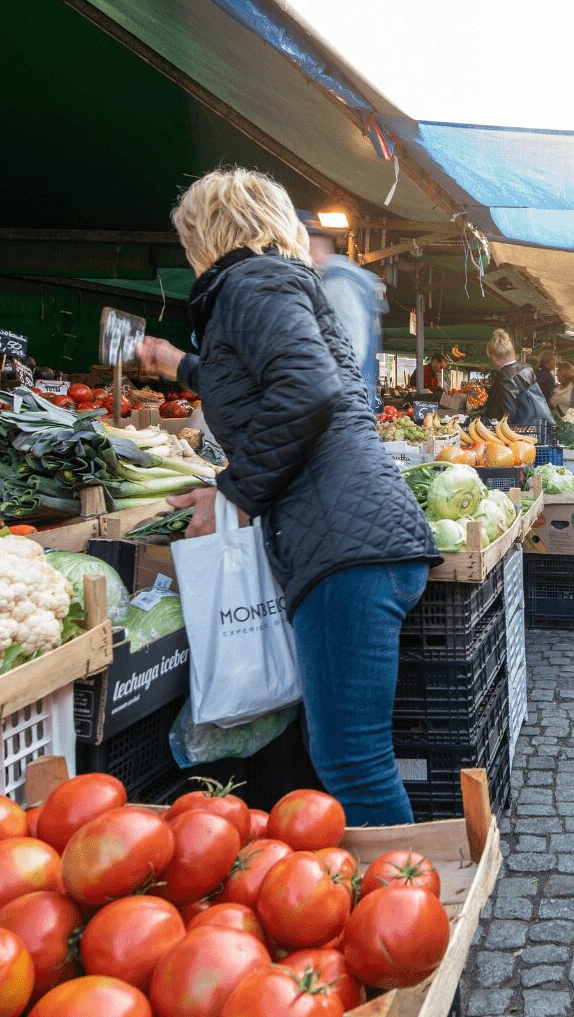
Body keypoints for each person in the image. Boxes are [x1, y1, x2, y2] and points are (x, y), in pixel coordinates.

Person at [133, 166, 440, 827]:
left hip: (345, 549)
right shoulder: (273, 284)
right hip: (358, 538)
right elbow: (263, 372)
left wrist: (232, 491)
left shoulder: (248, 282)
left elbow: (309, 391)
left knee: (353, 762)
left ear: (204, 234)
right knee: (342, 756)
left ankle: (415, 915)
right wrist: (177, 366)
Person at [303, 214, 385, 412]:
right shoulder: (350, 278)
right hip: (354, 400)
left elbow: (351, 348)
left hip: (345, 404)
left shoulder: (337, 283)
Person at [480, 328, 554, 432]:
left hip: (521, 431)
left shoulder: (504, 375)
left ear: (494, 358)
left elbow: (508, 413)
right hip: (538, 427)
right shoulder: (526, 368)